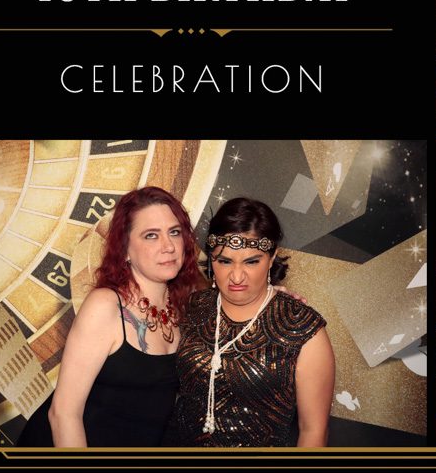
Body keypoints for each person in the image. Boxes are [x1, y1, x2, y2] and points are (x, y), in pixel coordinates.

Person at [17, 186, 201, 447]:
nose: (168, 246)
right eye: (151, 235)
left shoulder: (184, 306)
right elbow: (63, 414)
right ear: (125, 249)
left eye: (175, 232)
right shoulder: (105, 306)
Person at [164, 197, 334, 446]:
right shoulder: (192, 308)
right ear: (211, 259)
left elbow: (313, 432)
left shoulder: (303, 329)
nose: (236, 276)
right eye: (225, 261)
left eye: (251, 261)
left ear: (272, 257)